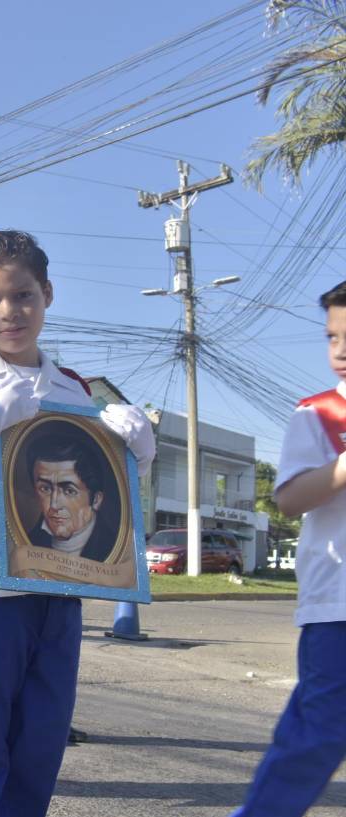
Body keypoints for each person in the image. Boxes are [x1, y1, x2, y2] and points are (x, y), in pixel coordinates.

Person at [0, 230, 154, 817]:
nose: (8, 312)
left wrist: (137, 452)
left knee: (41, 743)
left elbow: (104, 487)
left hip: (61, 586)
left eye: (22, 296)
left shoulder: (73, 389)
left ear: (47, 293)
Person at [229, 280, 346, 817]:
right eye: (331, 337)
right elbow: (290, 499)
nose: (339, 350)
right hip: (337, 606)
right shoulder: (318, 414)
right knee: (317, 734)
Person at [24, 430, 116, 562]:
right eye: (45, 488)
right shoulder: (27, 542)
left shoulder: (112, 548)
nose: (54, 505)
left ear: (96, 499)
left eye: (69, 491)